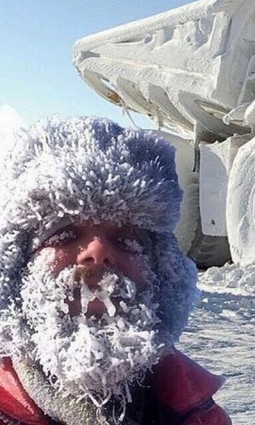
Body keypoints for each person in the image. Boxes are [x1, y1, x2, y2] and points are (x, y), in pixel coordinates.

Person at [0, 117, 231, 425]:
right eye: (64, 234)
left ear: (160, 272)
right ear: (16, 270)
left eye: (125, 239)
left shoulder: (198, 413)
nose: (98, 252)